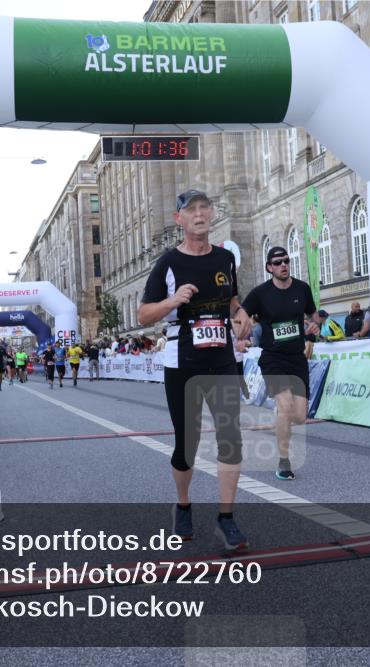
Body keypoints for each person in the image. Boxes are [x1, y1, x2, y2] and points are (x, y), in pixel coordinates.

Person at [138, 188, 252, 550]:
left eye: (205, 207)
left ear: (212, 213)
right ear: (180, 220)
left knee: (230, 438)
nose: (200, 214)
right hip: (183, 360)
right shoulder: (168, 263)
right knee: (186, 445)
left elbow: (232, 301)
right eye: (192, 210)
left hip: (221, 358)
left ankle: (227, 519)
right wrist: (173, 300)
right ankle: (183, 504)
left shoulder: (224, 259)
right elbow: (143, 315)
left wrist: (240, 314)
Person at [241, 246, 321, 481]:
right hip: (273, 358)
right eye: (278, 262)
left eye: (286, 261)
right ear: (269, 268)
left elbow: (314, 316)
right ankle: (284, 461)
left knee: (299, 416)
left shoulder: (302, 289)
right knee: (285, 407)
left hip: (296, 358)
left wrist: (315, 328)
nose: (283, 265)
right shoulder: (260, 294)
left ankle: (282, 418)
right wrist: (240, 336)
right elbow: (241, 316)